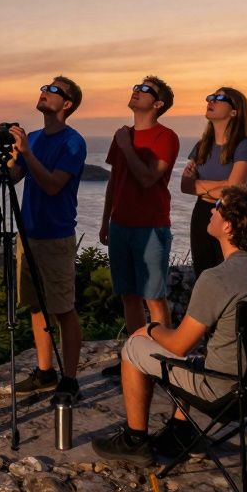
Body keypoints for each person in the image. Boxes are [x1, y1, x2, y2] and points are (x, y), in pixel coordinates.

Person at [91, 186, 247, 465]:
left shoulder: (218, 278)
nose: (211, 209)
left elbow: (179, 344)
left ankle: (134, 439)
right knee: (193, 357)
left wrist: (150, 329)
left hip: (226, 389)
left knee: (134, 347)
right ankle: (180, 431)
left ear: (227, 226)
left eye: (219, 207)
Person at [7, 76, 88, 399]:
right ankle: (45, 371)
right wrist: (14, 155)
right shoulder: (36, 138)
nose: (44, 92)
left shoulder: (73, 142)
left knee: (63, 309)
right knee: (36, 306)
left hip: (55, 236)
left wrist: (28, 152)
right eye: (44, 87)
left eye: (53, 90)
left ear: (67, 104)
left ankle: (70, 379)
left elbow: (53, 184)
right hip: (29, 234)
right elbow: (13, 178)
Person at [99, 76, 180, 379]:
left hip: (150, 227)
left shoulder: (166, 137)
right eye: (136, 86)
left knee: (154, 297)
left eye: (145, 90)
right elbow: (114, 180)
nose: (136, 91)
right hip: (121, 224)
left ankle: (164, 362)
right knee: (129, 296)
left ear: (158, 104)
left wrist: (126, 145)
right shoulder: (123, 134)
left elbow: (148, 178)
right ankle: (136, 360)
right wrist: (106, 218)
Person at [180, 87, 247, 276]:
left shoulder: (244, 145)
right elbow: (185, 186)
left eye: (219, 98)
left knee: (230, 274)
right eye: (211, 97)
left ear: (234, 111)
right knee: (204, 273)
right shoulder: (201, 146)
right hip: (202, 214)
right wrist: (222, 184)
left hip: (231, 216)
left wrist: (202, 186)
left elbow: (234, 191)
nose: (211, 101)